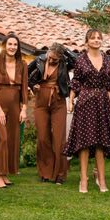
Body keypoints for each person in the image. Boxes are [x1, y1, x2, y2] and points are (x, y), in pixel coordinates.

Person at [63, 29, 110, 193]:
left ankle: (102, 180)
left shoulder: (107, 59)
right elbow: (76, 82)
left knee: (101, 143)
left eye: (99, 38)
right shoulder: (81, 60)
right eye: (93, 38)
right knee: (84, 143)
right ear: (87, 41)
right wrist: (71, 101)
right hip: (85, 102)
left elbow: (108, 85)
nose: (96, 40)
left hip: (102, 102)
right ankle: (83, 180)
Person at [0, 34, 28, 188]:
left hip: (15, 106)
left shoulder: (22, 64)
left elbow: (24, 87)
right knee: (2, 138)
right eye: (9, 44)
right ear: (4, 45)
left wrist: (24, 109)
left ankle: (4, 174)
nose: (12, 47)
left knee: (12, 140)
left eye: (15, 45)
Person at [28, 43, 72, 185]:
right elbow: (25, 72)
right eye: (50, 56)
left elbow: (78, 61)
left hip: (58, 101)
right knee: (42, 138)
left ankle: (59, 174)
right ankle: (45, 172)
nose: (51, 60)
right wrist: (31, 85)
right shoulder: (39, 60)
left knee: (59, 139)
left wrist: (66, 51)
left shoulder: (65, 63)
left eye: (55, 58)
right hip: (41, 101)